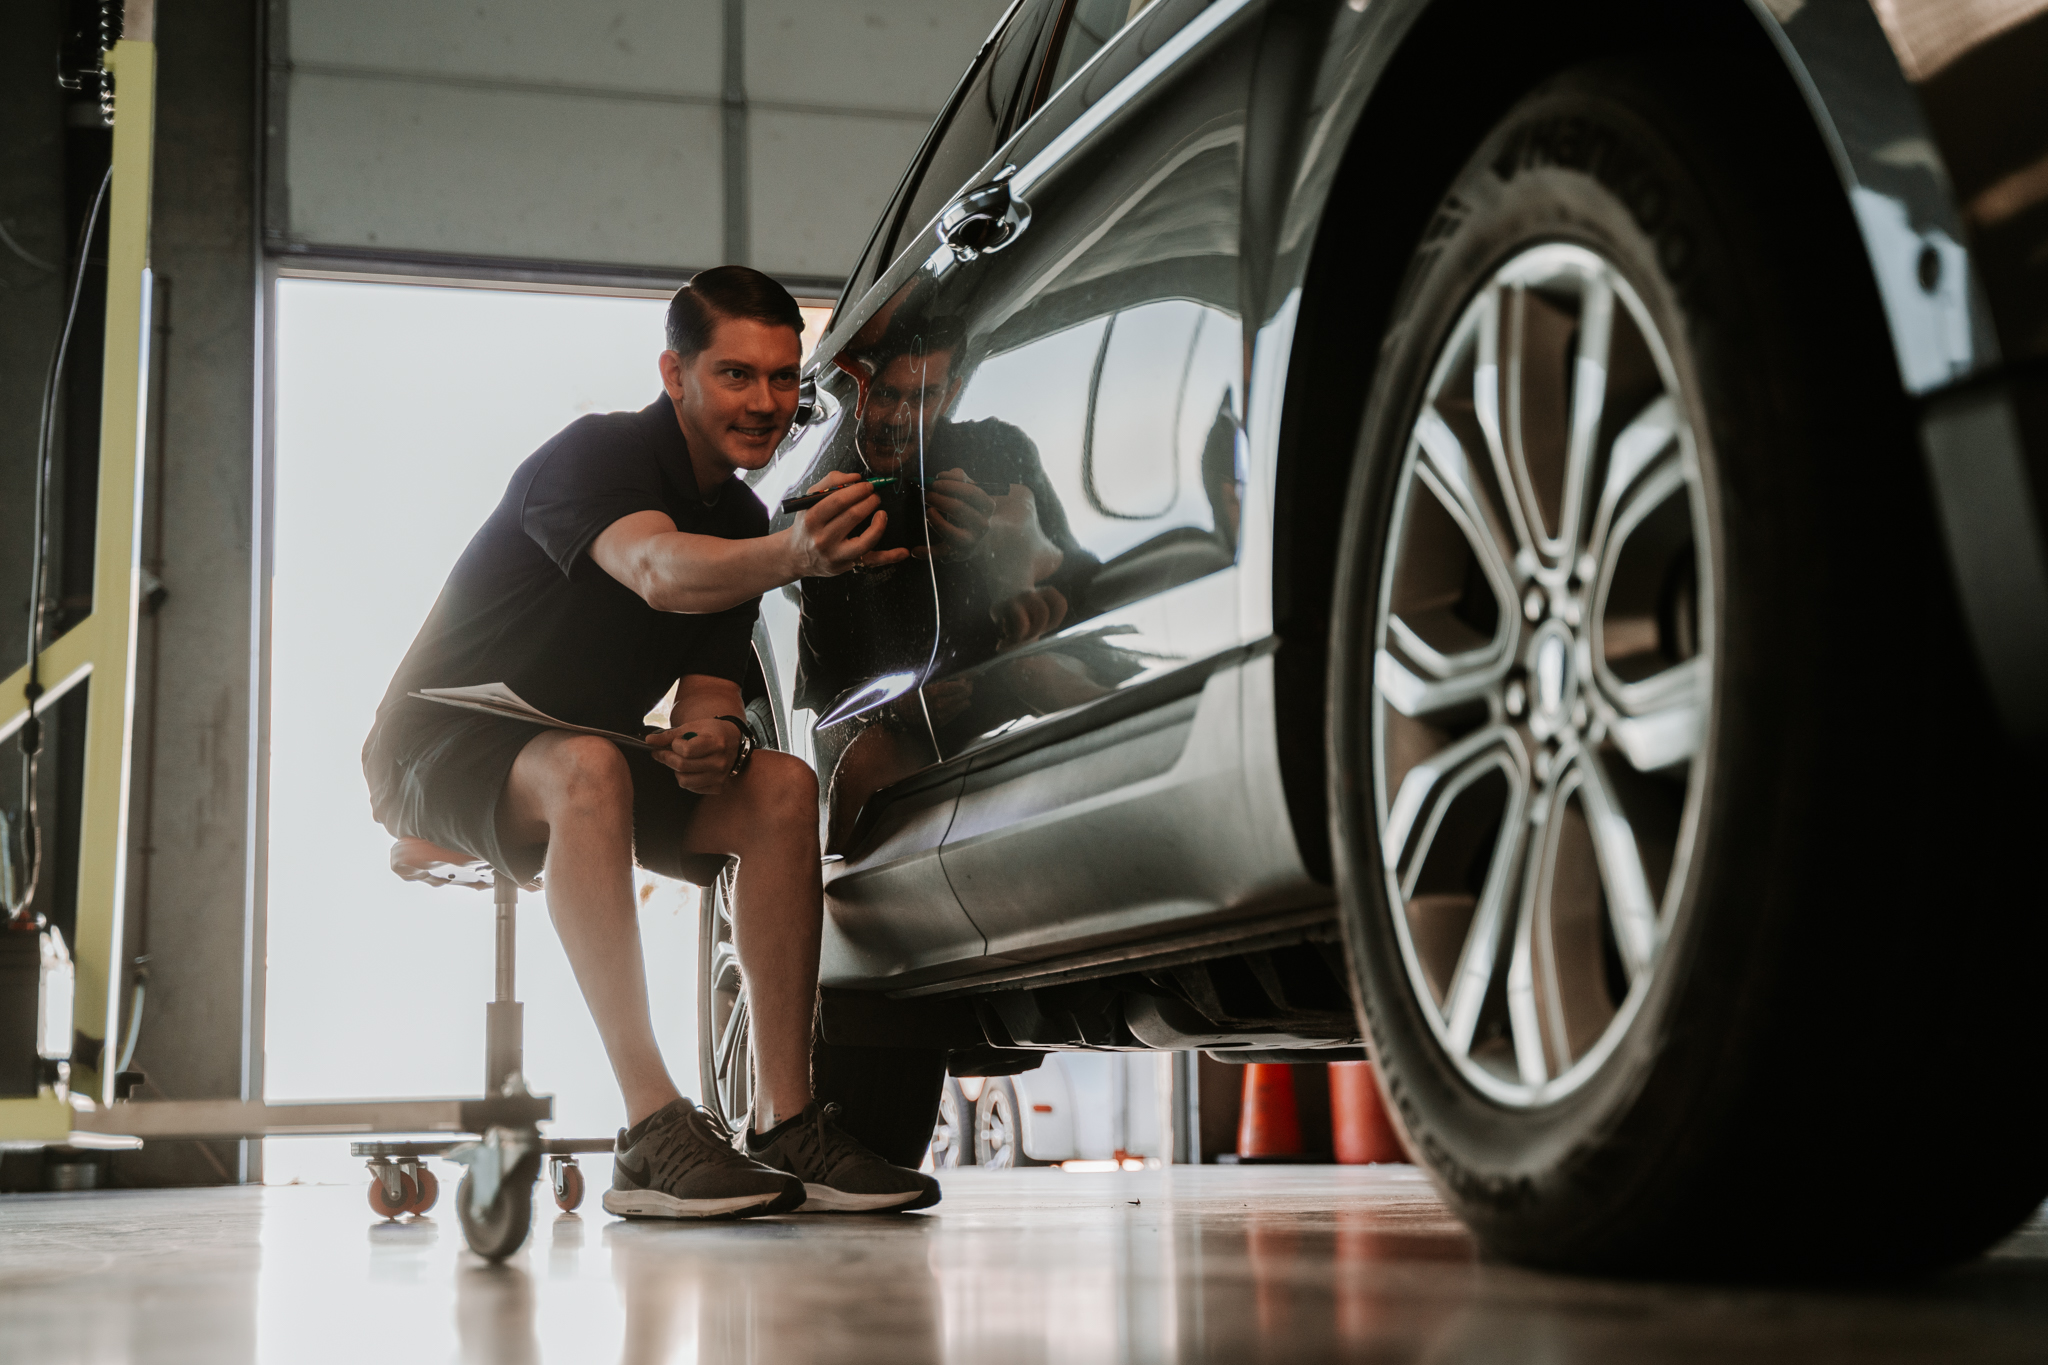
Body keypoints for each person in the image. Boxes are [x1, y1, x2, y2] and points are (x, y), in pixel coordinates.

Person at [360, 266, 940, 1219]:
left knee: (783, 786)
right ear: (676, 374)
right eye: (736, 375)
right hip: (446, 735)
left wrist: (710, 740)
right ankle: (650, 1128)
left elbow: (709, 690)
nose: (765, 402)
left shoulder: (743, 518)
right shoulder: (597, 456)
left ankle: (786, 1119)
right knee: (586, 769)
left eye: (783, 378)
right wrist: (799, 553)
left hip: (590, 748)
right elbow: (658, 570)